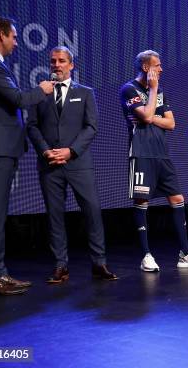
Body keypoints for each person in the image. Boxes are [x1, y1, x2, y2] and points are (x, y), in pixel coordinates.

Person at [0, 17, 55, 295]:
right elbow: (17, 99)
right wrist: (41, 91)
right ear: (1, 35)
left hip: (3, 147)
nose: (16, 43)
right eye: (14, 37)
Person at [27, 47, 118, 283]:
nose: (56, 65)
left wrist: (71, 151)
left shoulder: (85, 92)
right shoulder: (40, 93)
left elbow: (91, 126)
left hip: (78, 162)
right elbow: (32, 126)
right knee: (55, 216)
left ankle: (99, 264)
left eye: (61, 61)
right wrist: (46, 150)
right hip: (49, 164)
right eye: (53, 61)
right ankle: (61, 266)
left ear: (71, 65)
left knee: (92, 212)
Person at [120, 50, 188, 271]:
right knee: (142, 202)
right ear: (145, 68)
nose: (161, 69)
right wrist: (152, 92)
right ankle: (146, 255)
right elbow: (148, 116)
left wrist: (152, 113)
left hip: (162, 153)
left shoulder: (161, 92)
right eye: (157, 65)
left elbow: (171, 124)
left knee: (177, 198)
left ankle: (185, 253)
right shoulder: (129, 89)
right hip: (141, 152)